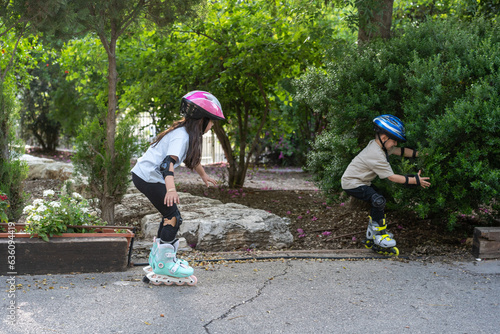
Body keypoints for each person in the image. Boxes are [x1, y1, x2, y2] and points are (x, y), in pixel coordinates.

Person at [131, 90, 227, 285]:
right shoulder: (181, 136)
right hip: (148, 177)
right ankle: (165, 264)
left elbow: (191, 160)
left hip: (147, 175)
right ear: (203, 120)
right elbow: (168, 164)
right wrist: (171, 190)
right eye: (212, 121)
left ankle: (158, 261)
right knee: (173, 216)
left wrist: (204, 175)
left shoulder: (186, 133)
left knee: (170, 215)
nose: (212, 126)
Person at [341, 114, 430, 256]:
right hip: (352, 184)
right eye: (394, 141)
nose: (395, 144)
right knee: (378, 200)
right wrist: (415, 180)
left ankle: (372, 234)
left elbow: (401, 151)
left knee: (379, 198)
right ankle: (380, 235)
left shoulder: (380, 146)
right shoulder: (375, 154)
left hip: (360, 182)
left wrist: (421, 154)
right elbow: (392, 177)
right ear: (384, 138)